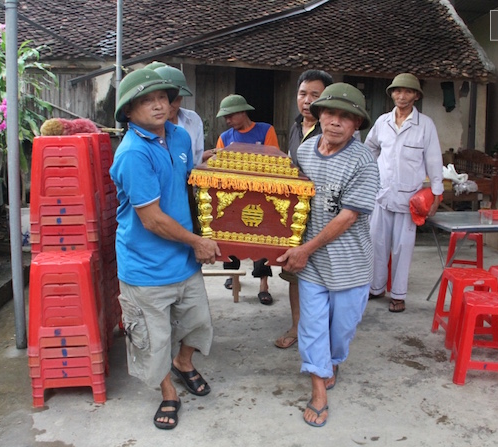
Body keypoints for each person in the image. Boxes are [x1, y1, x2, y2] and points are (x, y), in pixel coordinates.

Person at [109, 68, 221, 430]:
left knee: (196, 323)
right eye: (146, 100)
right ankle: (168, 392)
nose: (158, 105)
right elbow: (152, 219)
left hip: (183, 260)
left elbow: (185, 185)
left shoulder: (179, 136)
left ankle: (184, 362)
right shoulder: (132, 154)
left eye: (162, 97)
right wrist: (198, 241)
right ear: (128, 111)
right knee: (152, 340)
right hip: (146, 267)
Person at [276, 83, 379, 427]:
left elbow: (348, 216)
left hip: (350, 263)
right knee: (313, 326)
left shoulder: (364, 161)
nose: (335, 122)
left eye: (345, 117)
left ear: (357, 125)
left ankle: (331, 361)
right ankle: (318, 388)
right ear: (319, 116)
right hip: (313, 265)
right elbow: (287, 196)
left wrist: (305, 248)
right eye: (330, 113)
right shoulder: (304, 151)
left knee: (341, 329)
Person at [364, 73, 444, 313]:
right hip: (381, 195)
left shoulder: (425, 125)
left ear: (416, 96)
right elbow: (370, 148)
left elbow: (433, 160)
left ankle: (398, 294)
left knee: (402, 248)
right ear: (392, 94)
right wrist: (371, 174)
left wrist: (437, 194)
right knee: (376, 243)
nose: (402, 96)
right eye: (397, 91)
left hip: (409, 198)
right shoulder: (382, 122)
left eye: (407, 91)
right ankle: (375, 287)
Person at [275, 69, 333, 349]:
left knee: (325, 273)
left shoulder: (332, 129)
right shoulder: (297, 127)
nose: (307, 100)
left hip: (324, 213)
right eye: (302, 93)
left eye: (315, 95)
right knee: (294, 270)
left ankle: (324, 335)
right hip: (297, 212)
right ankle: (297, 326)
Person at [214, 94, 279, 305]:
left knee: (262, 238)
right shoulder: (225, 137)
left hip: (262, 193)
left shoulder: (266, 130)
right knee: (230, 233)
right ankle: (233, 276)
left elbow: (275, 161)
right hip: (234, 194)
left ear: (243, 112)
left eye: (230, 115)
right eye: (225, 117)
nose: (227, 120)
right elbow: (220, 166)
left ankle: (263, 284)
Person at [146, 62, 205, 166]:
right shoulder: (146, 129)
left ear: (182, 98)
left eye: (176, 99)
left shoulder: (193, 120)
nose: (170, 105)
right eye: (165, 99)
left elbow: (197, 159)